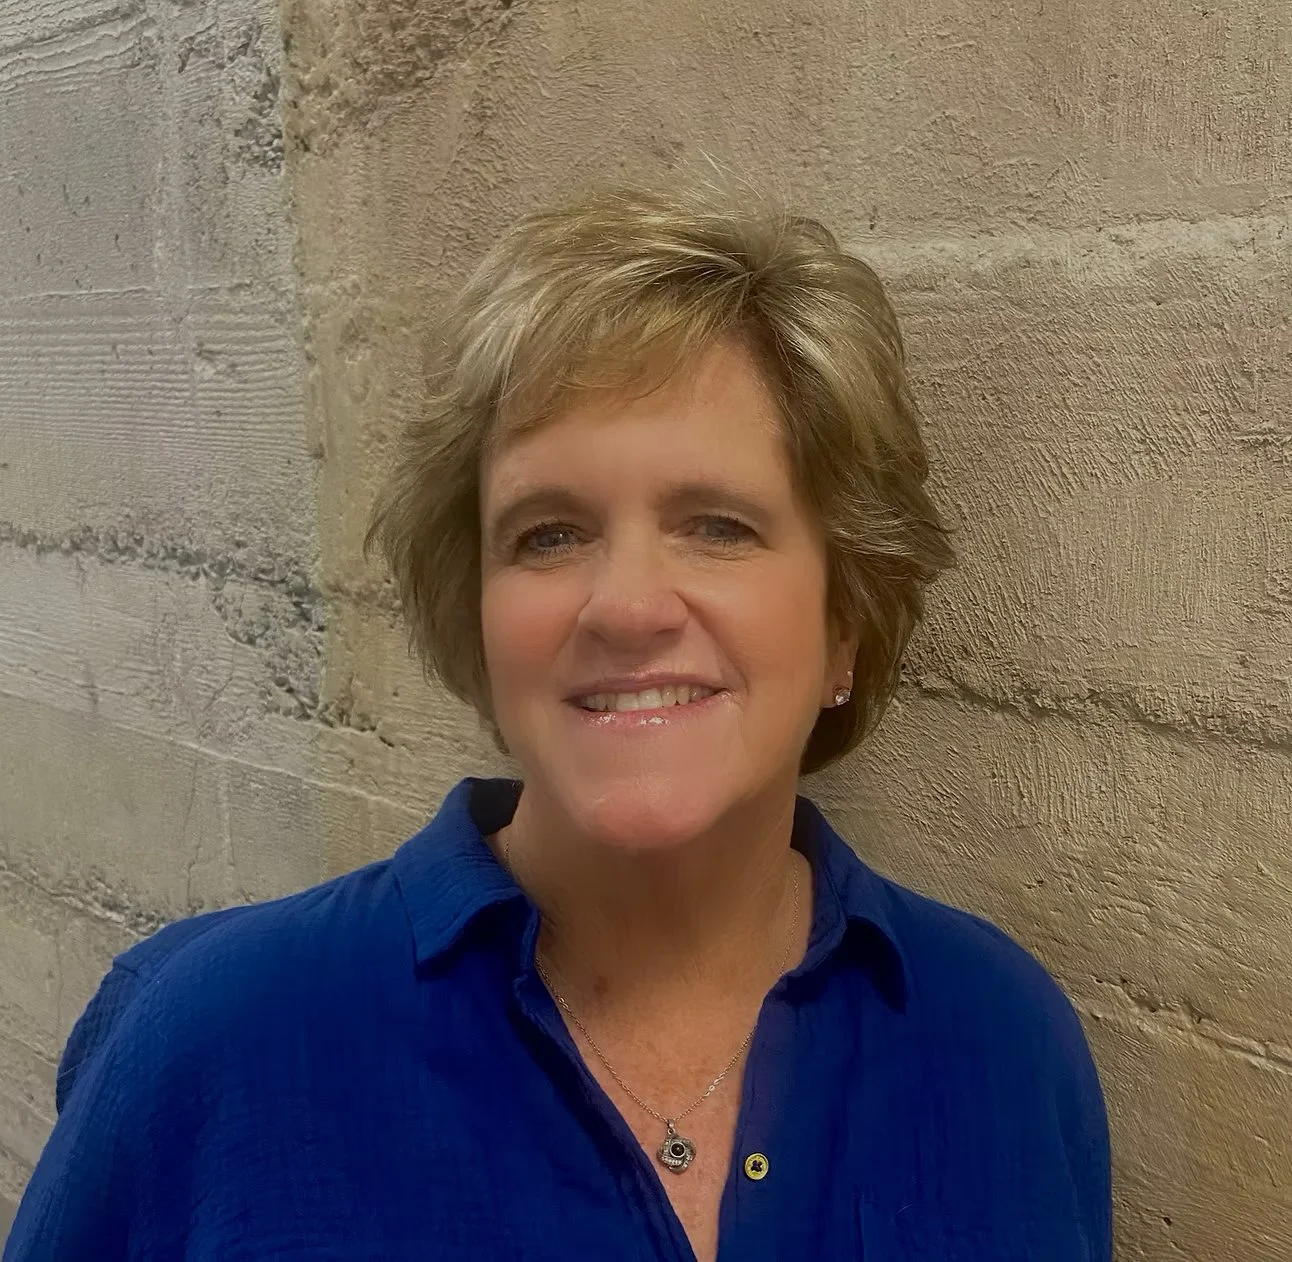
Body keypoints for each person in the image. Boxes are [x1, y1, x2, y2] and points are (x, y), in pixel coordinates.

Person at [5, 177, 1111, 1262]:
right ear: (476, 618)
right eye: (547, 534)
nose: (626, 606)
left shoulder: (1002, 1039)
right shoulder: (212, 1043)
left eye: (717, 525)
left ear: (843, 622)